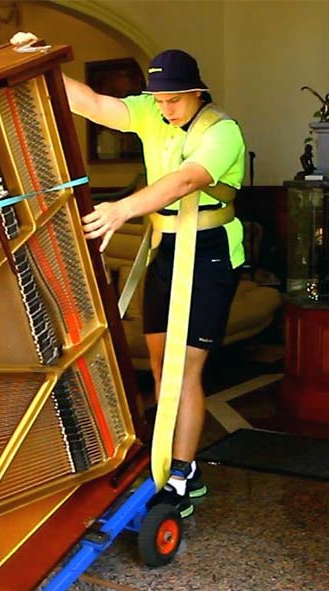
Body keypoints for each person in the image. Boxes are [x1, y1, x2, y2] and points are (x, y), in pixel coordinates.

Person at [12, 33, 246, 517]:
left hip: (210, 250)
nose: (166, 110)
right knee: (162, 368)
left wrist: (122, 209)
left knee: (186, 371)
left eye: (175, 100)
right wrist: (35, 61)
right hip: (166, 246)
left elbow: (185, 180)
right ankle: (177, 462)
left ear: (198, 93)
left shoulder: (223, 131)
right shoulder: (151, 111)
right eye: (159, 100)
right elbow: (91, 103)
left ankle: (178, 476)